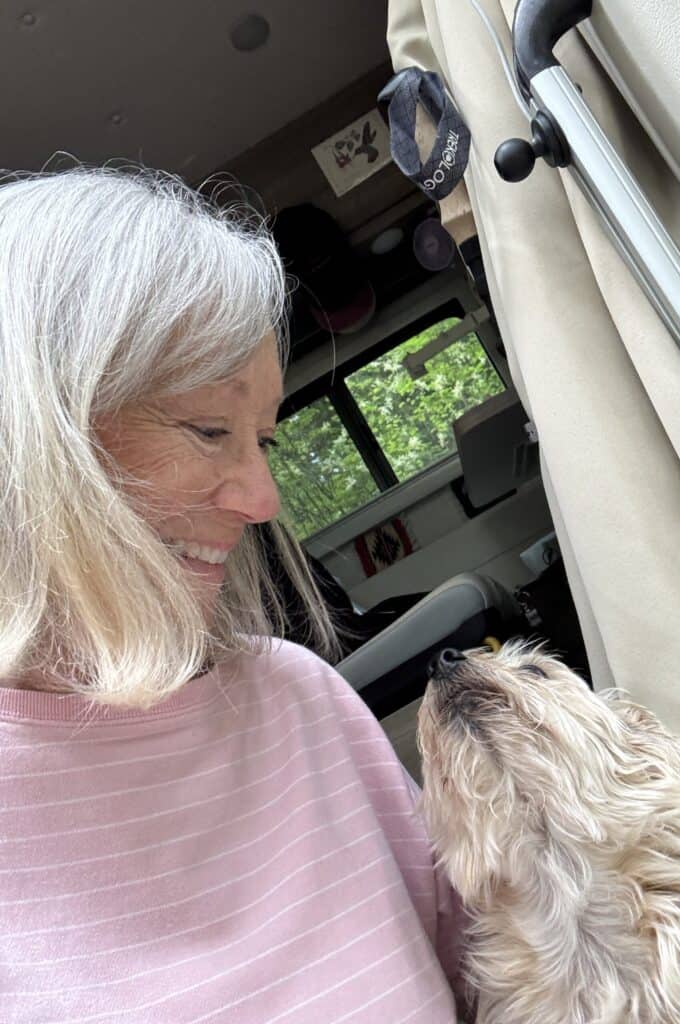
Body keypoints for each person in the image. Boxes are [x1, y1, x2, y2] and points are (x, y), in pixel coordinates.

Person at [0, 167, 473, 1023]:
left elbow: (491, 975)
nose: (263, 503)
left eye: (262, 440)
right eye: (210, 430)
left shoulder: (297, 698)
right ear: (35, 433)